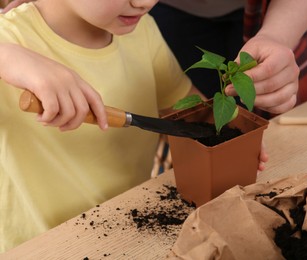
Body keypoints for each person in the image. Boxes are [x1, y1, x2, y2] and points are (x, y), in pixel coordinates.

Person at [0, 0, 202, 252]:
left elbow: (192, 114)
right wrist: (6, 56)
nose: (145, 2)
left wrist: (236, 140)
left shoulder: (141, 30)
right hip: (42, 249)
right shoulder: (9, 39)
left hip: (128, 235)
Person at [149, 0, 307, 118]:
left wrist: (276, 36)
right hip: (168, 10)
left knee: (288, 133)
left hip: (288, 11)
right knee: (197, 120)